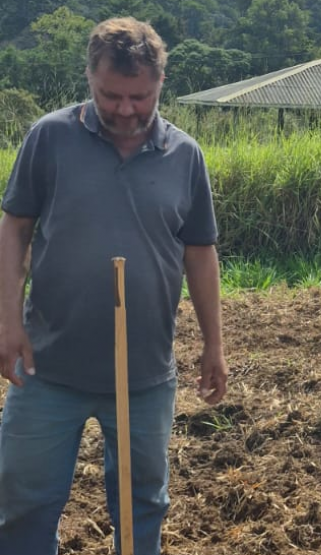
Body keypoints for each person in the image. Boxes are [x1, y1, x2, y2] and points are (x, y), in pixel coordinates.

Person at [0, 17, 227, 555]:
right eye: (111, 96)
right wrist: (7, 321)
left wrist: (213, 343)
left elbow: (199, 252)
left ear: (160, 86)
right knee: (23, 501)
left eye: (140, 97)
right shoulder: (50, 138)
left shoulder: (185, 155)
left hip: (145, 374)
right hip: (47, 367)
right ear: (89, 79)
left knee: (142, 503)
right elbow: (15, 229)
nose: (126, 110)